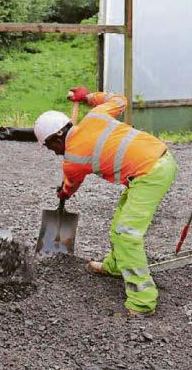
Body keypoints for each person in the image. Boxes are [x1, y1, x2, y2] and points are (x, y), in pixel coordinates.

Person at [34, 88, 177, 316]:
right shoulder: (95, 115)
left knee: (126, 235)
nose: (53, 152)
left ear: (58, 136)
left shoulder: (72, 159)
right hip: (158, 159)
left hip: (151, 173)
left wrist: (64, 194)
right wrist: (89, 97)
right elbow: (120, 100)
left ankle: (143, 301)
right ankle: (116, 266)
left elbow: (71, 184)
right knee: (119, 223)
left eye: (50, 146)